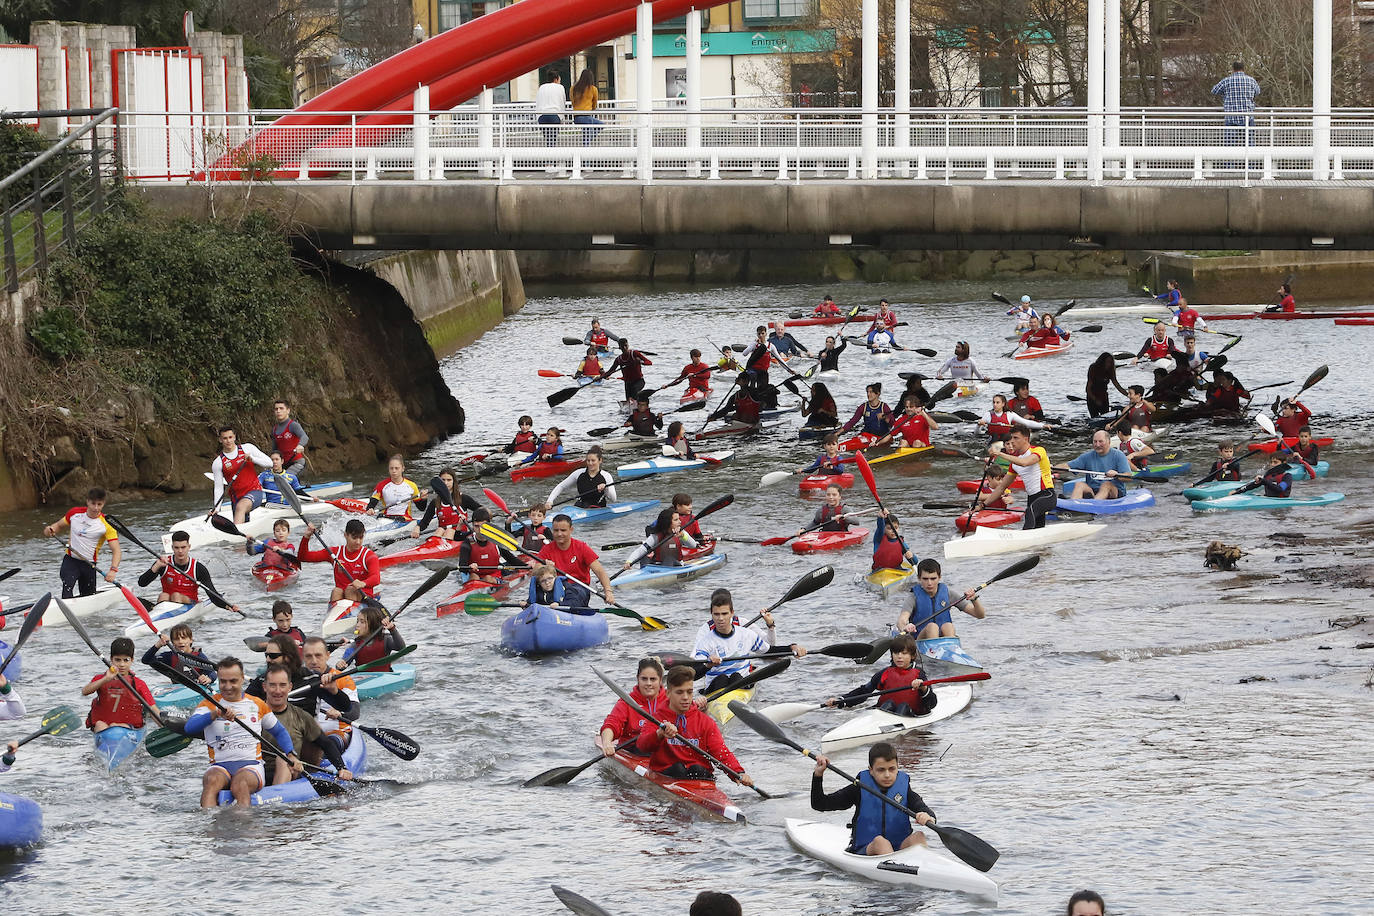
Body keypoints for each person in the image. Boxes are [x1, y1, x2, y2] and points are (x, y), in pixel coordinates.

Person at [183, 656, 297, 808]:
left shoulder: (256, 704)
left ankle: (244, 827)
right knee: (210, 781)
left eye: (233, 681)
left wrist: (291, 754)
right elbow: (189, 728)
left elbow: (280, 732)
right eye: (223, 681)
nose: (228, 686)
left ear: (242, 679)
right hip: (219, 766)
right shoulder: (209, 704)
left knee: (240, 783)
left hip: (250, 766)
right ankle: (208, 827)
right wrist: (215, 714)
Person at [810, 740, 937, 854]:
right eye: (881, 770)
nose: (887, 775)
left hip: (899, 848)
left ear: (897, 768)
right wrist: (818, 775)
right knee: (881, 842)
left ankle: (924, 871)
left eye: (892, 769)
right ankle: (893, 872)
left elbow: (922, 807)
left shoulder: (904, 789)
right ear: (871, 770)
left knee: (919, 836)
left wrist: (928, 817)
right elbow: (820, 804)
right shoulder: (859, 789)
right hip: (868, 849)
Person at [636, 664, 755, 785]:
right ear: (668, 693)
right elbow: (642, 745)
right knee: (678, 768)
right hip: (667, 773)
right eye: (680, 692)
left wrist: (738, 772)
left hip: (701, 776)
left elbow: (720, 752)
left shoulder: (705, 722)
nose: (686, 698)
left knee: (698, 769)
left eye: (689, 692)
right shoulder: (657, 718)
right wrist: (659, 734)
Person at [691, 588, 805, 694]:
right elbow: (694, 674)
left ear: (732, 613)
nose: (720, 618)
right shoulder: (705, 641)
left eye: (724, 614)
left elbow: (769, 651)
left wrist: (792, 648)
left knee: (736, 676)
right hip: (716, 685)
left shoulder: (746, 634)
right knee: (722, 679)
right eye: (716, 614)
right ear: (711, 614)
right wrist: (708, 665)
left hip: (740, 682)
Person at [259, 663, 352, 784]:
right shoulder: (252, 714)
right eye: (272, 685)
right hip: (256, 771)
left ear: (290, 687)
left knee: (283, 759)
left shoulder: (301, 716)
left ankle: (277, 799)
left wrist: (341, 768)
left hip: (289, 770)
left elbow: (326, 743)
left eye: (282, 685)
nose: (278, 691)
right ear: (264, 687)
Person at [137, 530, 242, 615]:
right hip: (166, 603)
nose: (180, 551)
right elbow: (142, 583)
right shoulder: (163, 563)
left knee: (175, 596)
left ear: (189, 547)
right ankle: (160, 617)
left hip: (190, 603)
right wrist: (156, 566)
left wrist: (227, 606)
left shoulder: (198, 568)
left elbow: (211, 593)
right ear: (172, 548)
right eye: (177, 548)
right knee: (163, 595)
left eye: (183, 547)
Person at [43, 486, 121, 599]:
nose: (95, 508)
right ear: (87, 501)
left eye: (99, 504)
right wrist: (49, 530)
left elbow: (116, 551)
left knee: (88, 596)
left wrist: (113, 570)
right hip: (70, 560)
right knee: (68, 586)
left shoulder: (106, 525)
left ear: (103, 504)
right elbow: (58, 526)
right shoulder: (74, 513)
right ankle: (65, 606)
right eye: (93, 503)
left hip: (89, 564)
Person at [825, 635, 933, 717]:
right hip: (885, 713)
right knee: (888, 703)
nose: (899, 657)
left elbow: (932, 703)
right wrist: (841, 700)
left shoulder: (919, 674)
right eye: (896, 653)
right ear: (892, 655)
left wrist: (923, 688)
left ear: (912, 656)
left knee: (903, 706)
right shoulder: (885, 673)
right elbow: (864, 691)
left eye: (904, 653)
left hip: (910, 714)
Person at [979, 427, 1055, 529]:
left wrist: (999, 453)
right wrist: (982, 505)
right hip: (1031, 498)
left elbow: (1025, 463)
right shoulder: (1014, 464)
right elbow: (1001, 487)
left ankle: (1024, 538)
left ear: (1026, 439)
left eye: (1016, 438)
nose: (1013, 441)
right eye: (1012, 438)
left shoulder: (1038, 450)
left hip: (1047, 495)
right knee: (1038, 527)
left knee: (1029, 512)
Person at [82, 637, 157, 736]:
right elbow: (85, 691)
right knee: (100, 725)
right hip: (103, 728)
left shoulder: (139, 684)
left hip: (128, 728)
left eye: (126, 660)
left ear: (132, 660)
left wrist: (165, 727)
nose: (122, 664)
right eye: (117, 660)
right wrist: (106, 679)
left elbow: (152, 709)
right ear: (111, 659)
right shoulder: (100, 678)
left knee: (115, 727)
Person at [538, 513, 616, 607]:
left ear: (571, 530)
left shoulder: (581, 547)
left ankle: (560, 606)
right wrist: (544, 567)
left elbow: (600, 572)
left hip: (578, 588)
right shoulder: (547, 549)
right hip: (554, 587)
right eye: (556, 530)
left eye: (563, 530)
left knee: (573, 592)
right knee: (537, 584)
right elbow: (535, 571)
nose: (559, 534)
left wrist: (608, 592)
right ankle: (532, 603)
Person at [896, 559, 985, 638]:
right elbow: (901, 620)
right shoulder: (913, 597)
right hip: (920, 640)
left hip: (944, 640)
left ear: (939, 577)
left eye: (933, 578)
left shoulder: (949, 594)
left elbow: (980, 615)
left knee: (948, 626)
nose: (929, 583)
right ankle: (935, 653)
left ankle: (950, 651)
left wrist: (974, 599)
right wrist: (906, 627)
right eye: (925, 579)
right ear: (919, 578)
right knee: (932, 627)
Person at [298, 518, 380, 603]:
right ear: (345, 535)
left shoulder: (369, 556)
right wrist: (306, 537)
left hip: (363, 596)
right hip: (341, 596)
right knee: (336, 591)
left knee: (350, 589)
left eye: (361, 537)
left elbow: (376, 578)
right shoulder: (334, 553)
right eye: (354, 538)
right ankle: (337, 614)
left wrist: (363, 583)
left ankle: (351, 614)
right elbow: (303, 557)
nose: (358, 542)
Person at [300, 636, 361, 751]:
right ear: (303, 658)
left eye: (318, 655)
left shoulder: (344, 679)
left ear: (327, 655)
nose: (313, 661)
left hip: (336, 733)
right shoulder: (297, 679)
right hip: (307, 733)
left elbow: (355, 712)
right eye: (308, 656)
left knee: (330, 743)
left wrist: (340, 713)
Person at [599, 657, 668, 757]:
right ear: (637, 679)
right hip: (633, 748)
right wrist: (607, 742)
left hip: (661, 748)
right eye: (644, 679)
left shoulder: (670, 700)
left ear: (660, 680)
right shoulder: (627, 702)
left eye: (653, 679)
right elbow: (612, 724)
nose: (648, 683)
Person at [210, 426, 273, 525]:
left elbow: (270, 463)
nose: (228, 441)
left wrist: (252, 459)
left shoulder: (248, 448)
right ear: (220, 440)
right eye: (225, 438)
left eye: (230, 437)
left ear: (234, 437)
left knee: (241, 507)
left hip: (255, 491)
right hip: (236, 498)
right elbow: (218, 488)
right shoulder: (218, 463)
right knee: (242, 522)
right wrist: (217, 508)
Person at [1061, 430, 1133, 499]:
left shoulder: (1118, 455)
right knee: (1079, 484)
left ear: (1109, 442)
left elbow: (1128, 477)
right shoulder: (1087, 456)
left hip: (1114, 492)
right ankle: (1073, 506)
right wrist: (1050, 468)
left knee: (1106, 485)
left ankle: (1094, 505)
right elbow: (1067, 466)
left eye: (1100, 441)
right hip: (1093, 491)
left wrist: (1117, 474)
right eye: (1095, 442)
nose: (1097, 445)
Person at [622, 508, 698, 570]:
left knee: (669, 559)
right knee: (644, 557)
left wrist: (682, 536)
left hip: (676, 566)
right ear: (667, 522)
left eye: (679, 519)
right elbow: (641, 550)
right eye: (676, 520)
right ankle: (644, 575)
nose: (680, 522)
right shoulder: (656, 536)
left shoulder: (681, 533)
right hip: (658, 566)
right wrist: (629, 561)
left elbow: (693, 545)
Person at [141, 623, 215, 685]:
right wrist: (158, 645)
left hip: (198, 687)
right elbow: (146, 660)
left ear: (191, 640)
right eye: (176, 639)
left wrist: (208, 679)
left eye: (183, 638)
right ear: (172, 642)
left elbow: (212, 673)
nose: (180, 641)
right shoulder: (169, 656)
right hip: (177, 689)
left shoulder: (199, 656)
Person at [547, 445, 616, 509]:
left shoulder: (606, 476)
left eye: (593, 460)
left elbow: (614, 499)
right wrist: (550, 501)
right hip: (581, 506)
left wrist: (606, 488)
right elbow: (561, 486)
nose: (590, 463)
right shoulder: (579, 473)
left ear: (600, 460)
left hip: (598, 508)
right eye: (588, 461)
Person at [1212, 60, 1260, 146]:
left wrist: (1225, 94)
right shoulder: (1251, 80)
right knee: (1250, 144)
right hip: (1247, 116)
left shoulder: (1226, 81)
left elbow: (1214, 91)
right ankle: (1251, 159)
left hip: (1231, 117)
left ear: (1233, 69)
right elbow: (1257, 92)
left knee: (1230, 146)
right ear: (1243, 68)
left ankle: (1230, 159)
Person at [343, 605, 404, 671]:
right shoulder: (355, 645)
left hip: (385, 676)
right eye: (357, 621)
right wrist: (341, 664)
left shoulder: (386, 639)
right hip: (363, 678)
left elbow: (401, 648)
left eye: (362, 622)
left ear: (373, 624)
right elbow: (343, 663)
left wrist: (392, 629)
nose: (357, 625)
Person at [367, 454, 424, 521]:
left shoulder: (412, 485)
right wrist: (370, 509)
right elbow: (372, 503)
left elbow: (421, 508)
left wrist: (424, 499)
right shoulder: (382, 485)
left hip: (404, 519)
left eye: (397, 468)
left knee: (401, 519)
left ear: (403, 469)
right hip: (385, 518)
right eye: (391, 468)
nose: (394, 471)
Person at [457, 509, 506, 584]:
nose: (479, 530)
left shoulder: (496, 540)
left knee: (488, 578)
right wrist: (469, 566)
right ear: (473, 526)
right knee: (474, 576)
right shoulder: (467, 543)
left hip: (494, 577)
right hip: (475, 578)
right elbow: (462, 566)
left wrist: (526, 566)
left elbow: (510, 558)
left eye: (483, 527)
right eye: (476, 526)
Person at [601, 337, 653, 405]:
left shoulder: (634, 353)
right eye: (622, 347)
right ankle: (633, 405)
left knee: (635, 390)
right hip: (628, 384)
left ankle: (640, 403)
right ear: (620, 347)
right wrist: (602, 376)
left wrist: (640, 362)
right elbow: (611, 371)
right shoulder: (618, 359)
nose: (625, 348)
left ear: (628, 345)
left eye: (626, 346)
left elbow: (649, 362)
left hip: (639, 381)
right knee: (629, 398)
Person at [975, 393, 1044, 445]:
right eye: (993, 402)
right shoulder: (988, 415)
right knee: (995, 436)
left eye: (997, 402)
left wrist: (1042, 426)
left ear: (1003, 404)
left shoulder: (1009, 414)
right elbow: (977, 433)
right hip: (993, 440)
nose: (995, 405)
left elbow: (1026, 423)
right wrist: (978, 425)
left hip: (1006, 441)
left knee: (1008, 437)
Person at [268, 399, 309, 476]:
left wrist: (300, 445)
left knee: (285, 478)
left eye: (281, 408)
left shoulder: (293, 425)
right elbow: (274, 450)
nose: (278, 411)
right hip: (283, 464)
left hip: (297, 462)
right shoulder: (274, 429)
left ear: (288, 411)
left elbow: (304, 437)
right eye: (276, 409)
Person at [1086, 352, 1129, 418]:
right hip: (1092, 395)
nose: (1108, 364)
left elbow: (1116, 384)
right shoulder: (1093, 368)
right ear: (1102, 361)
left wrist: (1128, 395)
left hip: (1103, 396)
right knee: (1094, 417)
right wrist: (1095, 399)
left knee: (1105, 415)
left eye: (1110, 362)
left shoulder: (1110, 370)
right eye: (1107, 362)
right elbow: (1088, 388)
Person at [569, 68, 603, 145]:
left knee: (587, 132)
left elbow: (572, 101)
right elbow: (594, 104)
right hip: (587, 116)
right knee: (600, 125)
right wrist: (592, 109)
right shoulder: (593, 89)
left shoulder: (573, 88)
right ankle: (586, 146)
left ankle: (586, 144)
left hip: (577, 117)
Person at [535, 70, 566, 146]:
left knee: (547, 138)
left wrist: (537, 117)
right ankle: (552, 154)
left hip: (542, 116)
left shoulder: (541, 87)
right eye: (559, 80)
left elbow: (538, 102)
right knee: (553, 138)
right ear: (556, 79)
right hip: (554, 115)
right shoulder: (560, 87)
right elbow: (562, 102)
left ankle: (549, 152)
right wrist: (562, 117)